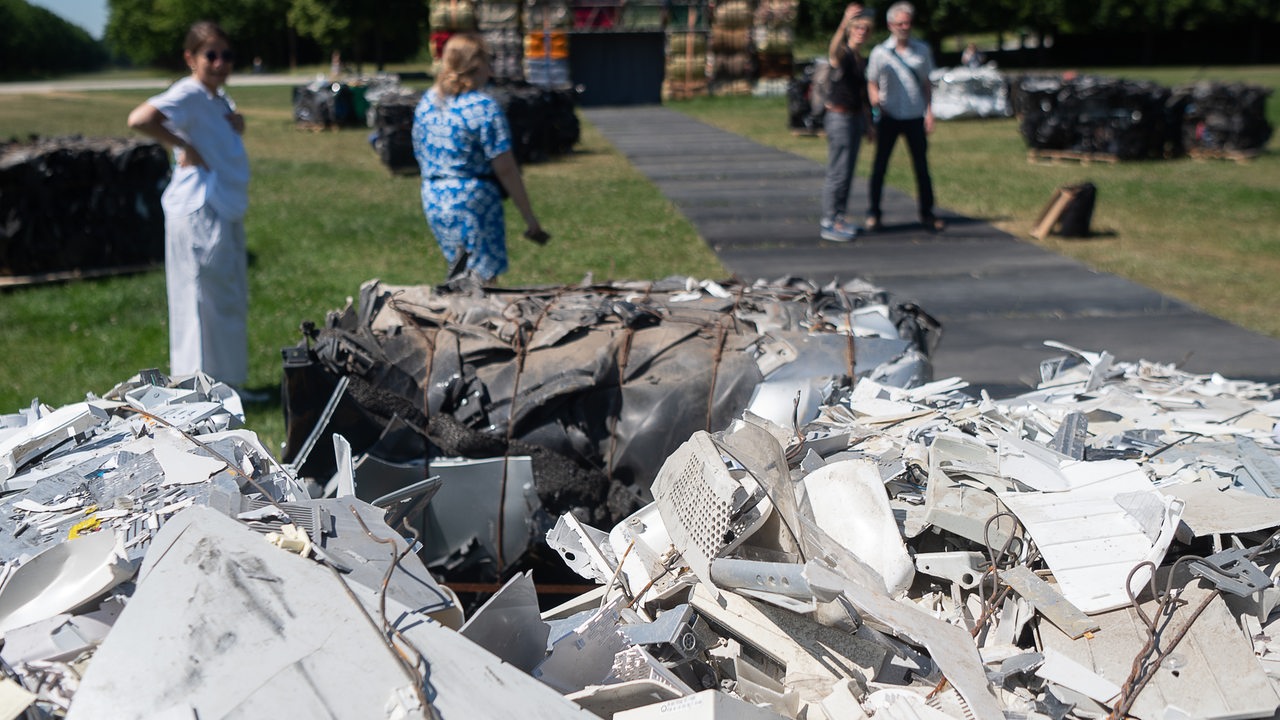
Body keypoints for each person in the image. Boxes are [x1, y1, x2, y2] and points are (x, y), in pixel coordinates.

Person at [127, 21, 262, 399]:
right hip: (198, 206)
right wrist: (182, 146)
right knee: (198, 298)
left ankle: (228, 384)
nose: (220, 63)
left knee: (226, 295)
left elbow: (218, 133)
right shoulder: (187, 92)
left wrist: (238, 123)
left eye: (227, 55)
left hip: (224, 205)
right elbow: (140, 118)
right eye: (211, 55)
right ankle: (196, 392)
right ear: (191, 58)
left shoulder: (218, 98)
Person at [412, 34, 548, 282]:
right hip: (474, 202)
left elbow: (418, 149)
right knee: (482, 281)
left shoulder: (428, 102)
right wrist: (530, 218)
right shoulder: (483, 106)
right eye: (488, 61)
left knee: (459, 272)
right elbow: (505, 167)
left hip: (434, 196)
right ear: (477, 65)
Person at [865, 1, 944, 233]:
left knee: (921, 166)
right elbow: (871, 81)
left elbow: (927, 84)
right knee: (880, 166)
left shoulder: (922, 50)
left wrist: (929, 112)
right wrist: (875, 100)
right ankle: (874, 213)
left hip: (913, 114)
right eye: (900, 23)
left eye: (907, 23)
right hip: (889, 116)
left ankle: (927, 213)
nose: (904, 27)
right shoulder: (880, 53)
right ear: (890, 25)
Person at [819, 3, 876, 242]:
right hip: (840, 117)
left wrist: (869, 124)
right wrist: (843, 22)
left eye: (865, 28)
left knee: (848, 171)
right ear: (851, 29)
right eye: (857, 27)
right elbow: (832, 50)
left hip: (854, 118)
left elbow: (862, 97)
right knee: (838, 172)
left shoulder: (860, 59)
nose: (861, 32)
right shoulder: (842, 55)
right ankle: (829, 220)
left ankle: (839, 216)